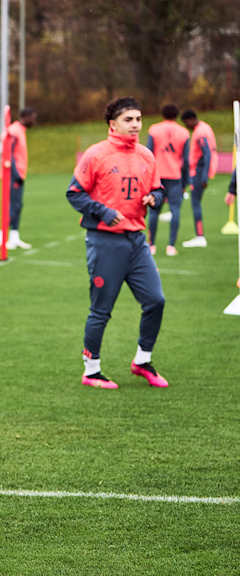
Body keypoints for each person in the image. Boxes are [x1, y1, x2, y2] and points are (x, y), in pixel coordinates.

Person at [66, 97, 169, 390]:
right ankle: (92, 370)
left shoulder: (147, 155)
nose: (136, 125)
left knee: (155, 300)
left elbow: (158, 189)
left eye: (138, 119)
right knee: (101, 309)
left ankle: (142, 360)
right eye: (129, 120)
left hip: (137, 242)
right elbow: (74, 194)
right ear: (113, 124)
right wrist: (104, 211)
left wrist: (155, 198)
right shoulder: (95, 155)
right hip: (105, 243)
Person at [145, 104, 190, 256]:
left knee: (153, 212)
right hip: (175, 176)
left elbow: (148, 153)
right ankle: (171, 246)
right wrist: (185, 182)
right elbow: (186, 161)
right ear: (177, 115)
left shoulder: (154, 129)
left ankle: (151, 245)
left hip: (157, 177)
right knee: (175, 210)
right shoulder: (184, 132)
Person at [0, 107, 37, 249]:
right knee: (11, 206)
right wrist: (16, 174)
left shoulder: (21, 131)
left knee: (17, 206)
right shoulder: (14, 131)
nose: (34, 121)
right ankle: (1, 236)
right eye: (33, 117)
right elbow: (8, 154)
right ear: (26, 117)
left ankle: (14, 236)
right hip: (12, 175)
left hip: (18, 174)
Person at [181, 109, 218, 248]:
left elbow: (206, 154)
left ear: (191, 120)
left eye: (186, 123)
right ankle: (199, 236)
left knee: (195, 203)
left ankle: (200, 236)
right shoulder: (204, 127)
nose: (186, 126)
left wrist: (203, 177)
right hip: (200, 171)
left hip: (199, 172)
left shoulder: (201, 132)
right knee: (195, 202)